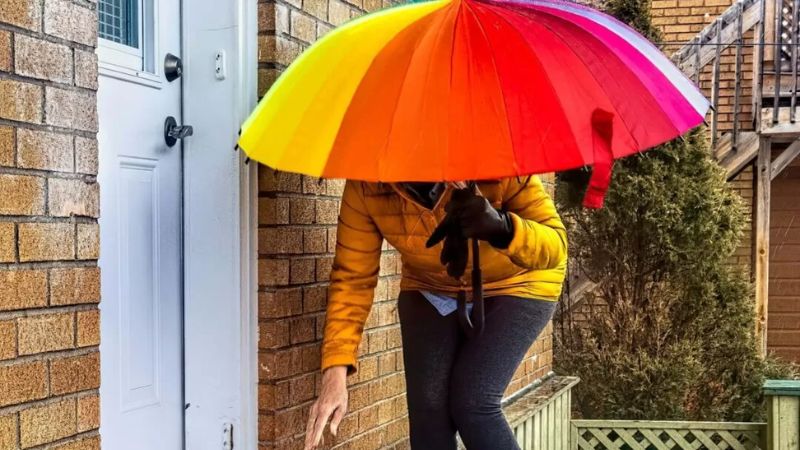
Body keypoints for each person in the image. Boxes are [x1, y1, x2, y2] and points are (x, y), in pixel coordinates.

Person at [304, 177, 568, 450]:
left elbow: (556, 246)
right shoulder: (366, 184)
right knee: (428, 409)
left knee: (473, 402)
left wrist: (502, 227)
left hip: (518, 281)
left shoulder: (497, 164)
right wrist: (334, 372)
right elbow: (352, 279)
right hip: (429, 285)